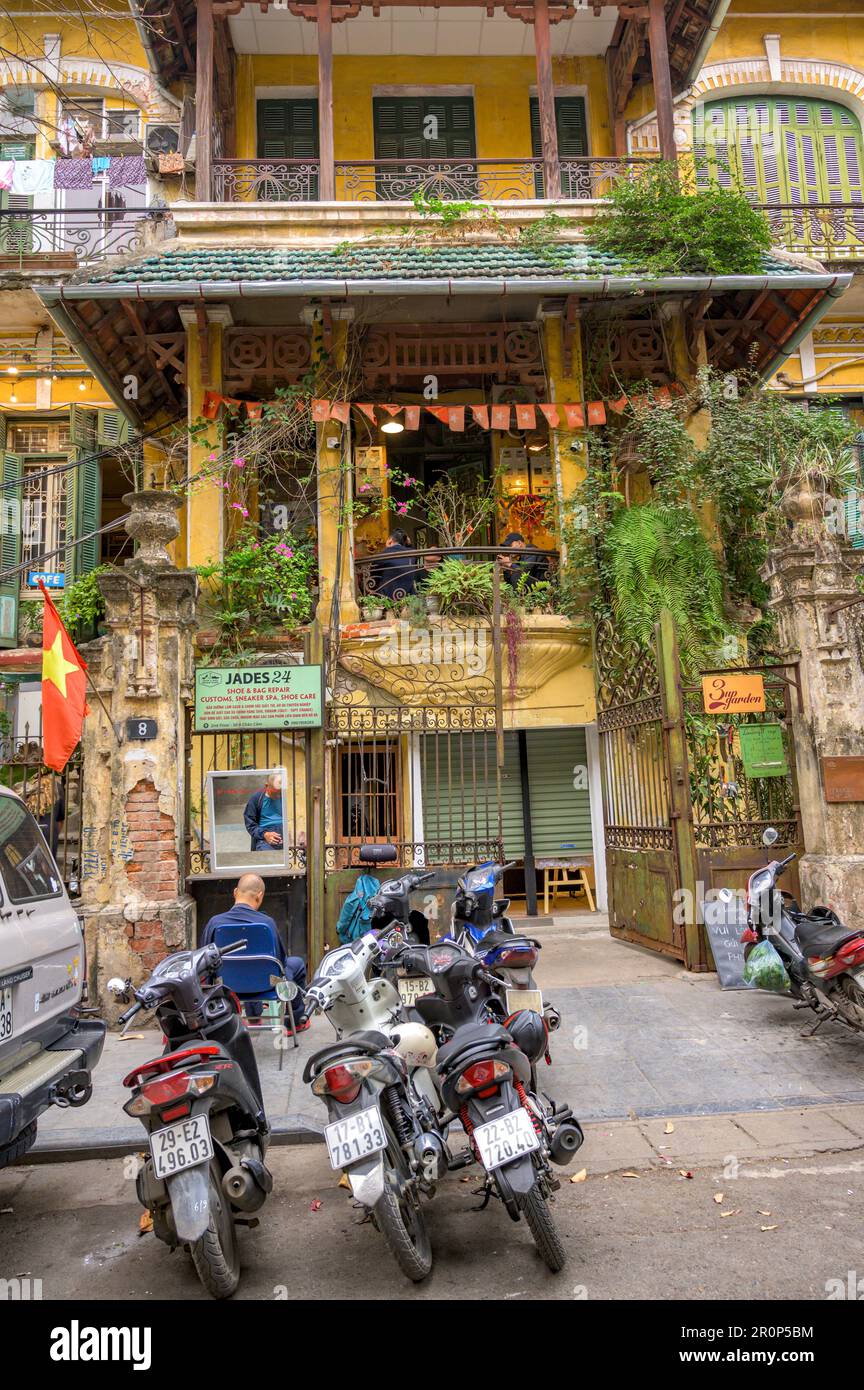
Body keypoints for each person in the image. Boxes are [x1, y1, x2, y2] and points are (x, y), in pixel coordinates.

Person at [202, 873, 309, 1032]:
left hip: (225, 985)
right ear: (259, 896)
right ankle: (295, 1020)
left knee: (245, 968)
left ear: (235, 892)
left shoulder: (215, 923)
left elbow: (204, 961)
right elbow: (281, 961)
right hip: (265, 985)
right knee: (296, 964)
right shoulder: (266, 923)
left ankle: (253, 1016)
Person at [244, 771, 306, 855]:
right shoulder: (256, 799)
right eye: (275, 793)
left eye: (279, 793)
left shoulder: (288, 797)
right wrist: (265, 834)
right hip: (265, 838)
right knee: (268, 858)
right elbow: (250, 824)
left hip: (288, 836)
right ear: (266, 786)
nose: (277, 796)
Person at [369, 528, 418, 600]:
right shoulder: (412, 553)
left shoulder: (386, 553)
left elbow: (373, 573)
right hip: (409, 595)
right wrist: (409, 545)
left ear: (390, 540)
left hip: (388, 597)